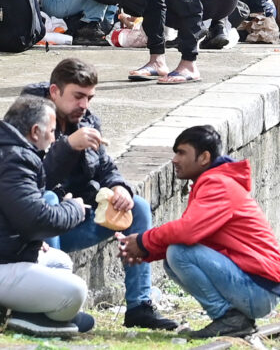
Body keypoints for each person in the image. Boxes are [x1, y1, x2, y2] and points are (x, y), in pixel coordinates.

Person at [24, 58, 179, 330]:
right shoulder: (28, 122)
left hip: (76, 217)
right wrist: (68, 146)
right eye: (78, 96)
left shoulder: (86, 120)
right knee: (46, 200)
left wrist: (119, 187)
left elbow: (105, 167)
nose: (84, 105)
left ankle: (139, 306)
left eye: (89, 98)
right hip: (37, 229)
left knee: (138, 208)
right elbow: (29, 184)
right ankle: (52, 307)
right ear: (54, 92)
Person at [0, 96, 93, 337]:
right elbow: (38, 221)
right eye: (52, 132)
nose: (54, 139)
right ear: (35, 131)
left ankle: (39, 314)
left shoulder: (0, 149)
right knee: (75, 291)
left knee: (61, 262)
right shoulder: (11, 158)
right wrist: (73, 208)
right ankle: (30, 318)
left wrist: (28, 242)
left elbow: (11, 212)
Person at [116, 126, 280, 339]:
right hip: (258, 288)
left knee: (178, 253)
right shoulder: (211, 182)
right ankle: (230, 319)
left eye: (181, 152)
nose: (174, 160)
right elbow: (195, 236)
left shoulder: (218, 185)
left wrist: (143, 241)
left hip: (260, 289)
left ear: (204, 157)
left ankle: (229, 319)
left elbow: (187, 231)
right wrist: (145, 252)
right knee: (172, 258)